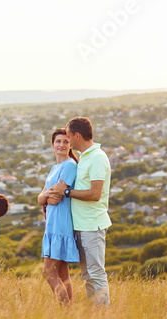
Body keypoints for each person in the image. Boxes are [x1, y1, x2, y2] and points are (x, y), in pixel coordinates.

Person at [48, 117, 112, 306]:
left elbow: (95, 194)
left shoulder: (98, 157)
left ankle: (102, 316)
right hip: (81, 225)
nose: (67, 141)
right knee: (87, 275)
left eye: (68, 137)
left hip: (92, 225)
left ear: (77, 135)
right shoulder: (85, 157)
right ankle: (95, 313)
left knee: (96, 273)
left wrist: (66, 192)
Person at [37, 128, 79, 304]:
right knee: (62, 273)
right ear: (52, 144)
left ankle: (66, 309)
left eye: (65, 141)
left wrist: (45, 197)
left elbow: (53, 200)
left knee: (48, 272)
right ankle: (70, 315)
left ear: (71, 145)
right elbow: (42, 198)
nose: (61, 145)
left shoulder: (70, 165)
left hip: (61, 222)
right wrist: (45, 197)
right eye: (58, 141)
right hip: (53, 223)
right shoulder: (55, 168)